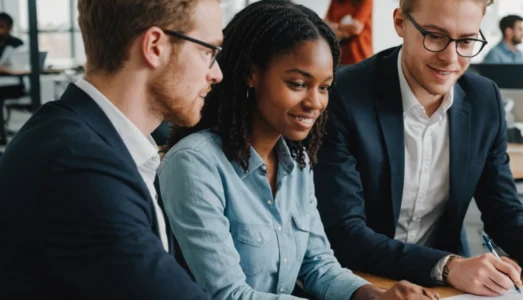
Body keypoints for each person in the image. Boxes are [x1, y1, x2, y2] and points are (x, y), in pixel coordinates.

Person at [315, 0, 523, 296]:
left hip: (447, 287)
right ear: (400, 22)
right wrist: (448, 266)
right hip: (362, 283)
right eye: (435, 36)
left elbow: (503, 210)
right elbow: (345, 232)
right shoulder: (344, 95)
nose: (450, 58)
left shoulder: (483, 98)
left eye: (465, 41)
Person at [158, 2, 436, 300]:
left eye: (324, 87)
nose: (315, 102)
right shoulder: (194, 165)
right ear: (251, 74)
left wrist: (378, 297)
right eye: (298, 84)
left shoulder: (297, 162)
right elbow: (229, 295)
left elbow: (319, 265)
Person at [0, 0, 223, 298]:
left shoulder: (77, 135)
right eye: (207, 51)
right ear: (155, 46)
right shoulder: (79, 167)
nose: (216, 73)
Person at [325, 0, 373, 65]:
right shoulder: (335, 1)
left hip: (359, 54)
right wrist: (346, 29)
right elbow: (325, 23)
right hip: (337, 55)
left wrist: (335, 28)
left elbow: (356, 28)